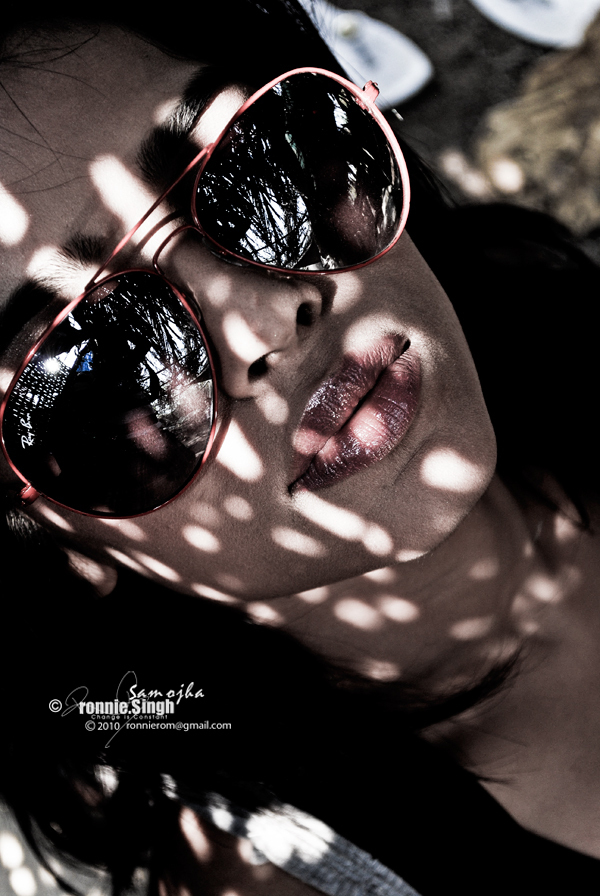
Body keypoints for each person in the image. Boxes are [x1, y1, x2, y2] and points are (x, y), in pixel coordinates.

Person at [1, 2, 600, 894]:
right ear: (45, 545)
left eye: (251, 168)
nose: (267, 314)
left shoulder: (554, 312)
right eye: (92, 365)